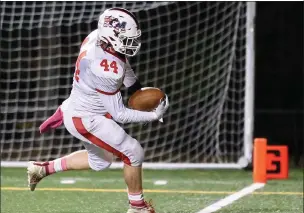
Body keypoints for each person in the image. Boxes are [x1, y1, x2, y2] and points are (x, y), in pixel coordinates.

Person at [27, 8, 169, 213]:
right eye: (127, 38)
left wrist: (137, 89)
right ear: (111, 36)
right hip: (87, 118)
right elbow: (120, 114)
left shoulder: (97, 39)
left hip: (78, 108)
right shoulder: (105, 69)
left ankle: (42, 169)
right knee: (133, 152)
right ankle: (138, 208)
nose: (132, 43)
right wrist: (154, 115)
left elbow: (123, 64)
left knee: (101, 162)